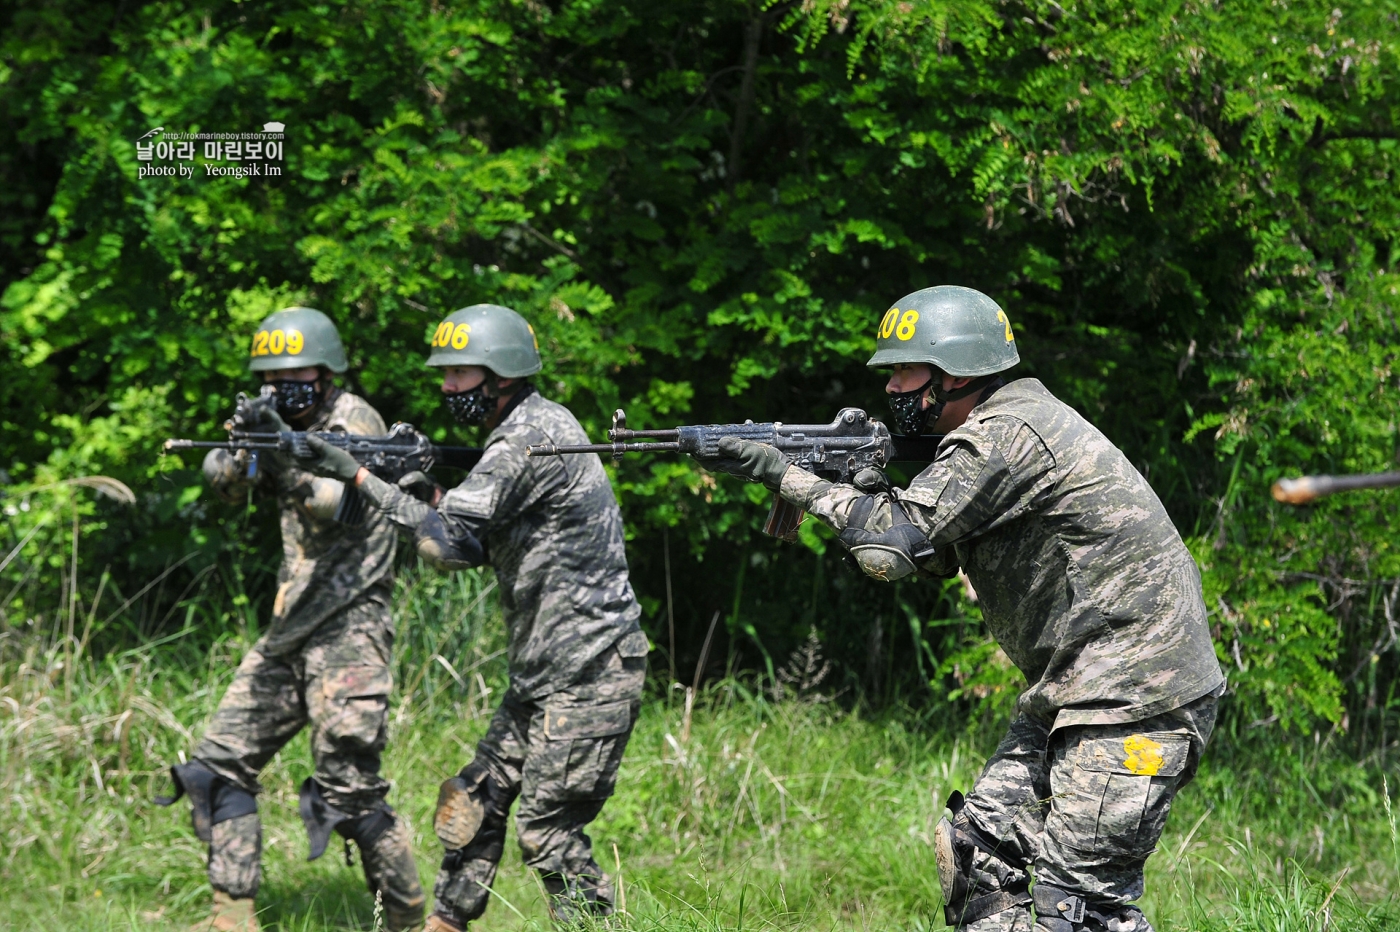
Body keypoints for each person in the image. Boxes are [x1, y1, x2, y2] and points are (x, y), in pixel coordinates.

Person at [712, 286, 1226, 932]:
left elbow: (891, 545)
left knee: (1079, 911)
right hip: (1078, 692)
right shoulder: (997, 428)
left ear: (953, 374)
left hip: (1135, 698)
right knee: (977, 858)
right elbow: (926, 554)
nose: (892, 387)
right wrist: (859, 486)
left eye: (904, 371)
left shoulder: (1006, 435)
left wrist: (787, 478)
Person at [294, 304, 648, 932]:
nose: (446, 386)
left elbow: (446, 533)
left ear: (503, 374)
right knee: (472, 801)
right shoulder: (518, 434)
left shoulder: (527, 439)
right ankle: (446, 924)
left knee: (547, 834)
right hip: (543, 672)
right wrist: (418, 482)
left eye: (460, 373)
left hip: (590, 672)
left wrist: (357, 473)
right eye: (446, 373)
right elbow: (464, 541)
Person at [161, 307, 424, 932]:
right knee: (220, 762)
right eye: (272, 376)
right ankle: (232, 915)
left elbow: (336, 505)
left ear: (326, 369)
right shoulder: (270, 414)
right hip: (290, 627)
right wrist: (244, 446)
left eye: (295, 371)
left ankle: (413, 920)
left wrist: (283, 454)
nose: (284, 384)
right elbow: (223, 486)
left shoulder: (355, 420)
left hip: (350, 627)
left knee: (349, 788)